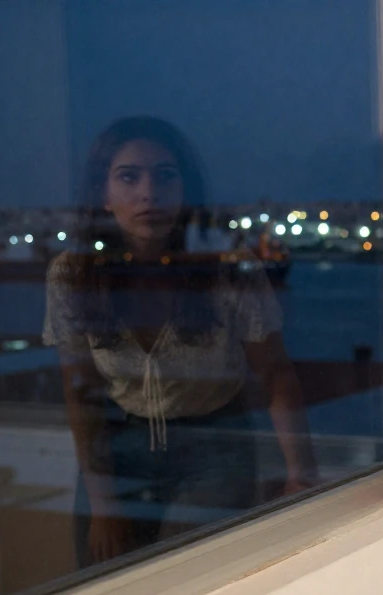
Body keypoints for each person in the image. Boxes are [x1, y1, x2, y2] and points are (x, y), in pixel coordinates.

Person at [43, 116, 318, 567]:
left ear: (185, 189)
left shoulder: (227, 267)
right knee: (104, 588)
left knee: (188, 580)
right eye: (128, 177)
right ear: (103, 194)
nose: (149, 192)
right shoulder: (73, 274)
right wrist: (104, 505)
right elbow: (81, 394)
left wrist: (301, 474)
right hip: (119, 447)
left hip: (215, 444)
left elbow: (274, 372)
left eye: (165, 176)